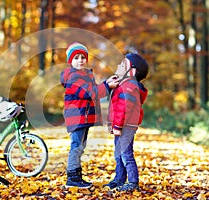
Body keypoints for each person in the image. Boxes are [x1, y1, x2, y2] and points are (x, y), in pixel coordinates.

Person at [60, 42, 119, 188]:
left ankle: (76, 175)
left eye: (82, 57)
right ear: (70, 61)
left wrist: (106, 83)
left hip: (83, 117)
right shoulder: (73, 76)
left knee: (80, 146)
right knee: (76, 146)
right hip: (77, 117)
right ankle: (72, 178)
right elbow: (88, 93)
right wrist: (106, 86)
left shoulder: (84, 75)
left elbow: (93, 88)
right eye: (76, 58)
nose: (80, 60)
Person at [103, 53, 149, 192]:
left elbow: (124, 108)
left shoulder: (129, 86)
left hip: (126, 125)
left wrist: (117, 125)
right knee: (118, 153)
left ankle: (133, 182)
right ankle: (119, 179)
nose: (118, 66)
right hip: (121, 125)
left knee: (126, 154)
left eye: (123, 65)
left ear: (132, 71)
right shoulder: (123, 84)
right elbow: (116, 107)